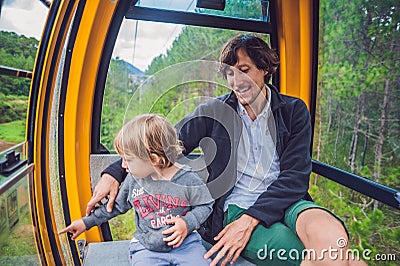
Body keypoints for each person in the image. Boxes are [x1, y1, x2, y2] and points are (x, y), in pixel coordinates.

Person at [87, 35, 362, 265]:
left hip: (290, 201)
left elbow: (295, 176)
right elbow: (161, 143)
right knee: (332, 259)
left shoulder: (292, 111)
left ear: (265, 68)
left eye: (244, 70)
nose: (236, 81)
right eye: (230, 73)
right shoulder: (214, 112)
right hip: (238, 207)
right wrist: (114, 172)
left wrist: (254, 219)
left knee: (331, 239)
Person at [60, 114, 214, 265]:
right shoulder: (134, 181)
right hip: (147, 248)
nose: (123, 165)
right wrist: (86, 223)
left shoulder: (188, 179)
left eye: (128, 159)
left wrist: (187, 223)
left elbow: (205, 204)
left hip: (186, 245)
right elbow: (115, 207)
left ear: (152, 158)